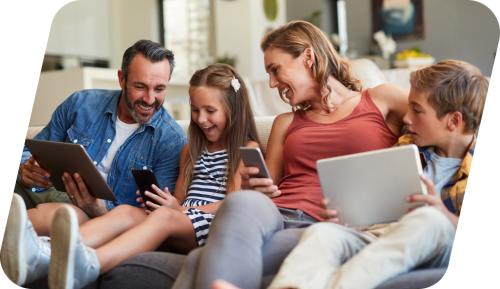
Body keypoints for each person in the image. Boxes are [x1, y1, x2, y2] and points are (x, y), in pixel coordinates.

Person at [170, 20, 409, 289]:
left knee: (196, 261)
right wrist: (252, 186)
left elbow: (442, 115)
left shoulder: (381, 100)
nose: (272, 83)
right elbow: (267, 189)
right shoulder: (285, 123)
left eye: (275, 70)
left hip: (323, 221)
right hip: (273, 214)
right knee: (240, 202)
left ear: (308, 56)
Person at [2, 64, 262, 289]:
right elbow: (180, 198)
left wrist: (177, 211)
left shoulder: (245, 151)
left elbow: (235, 205)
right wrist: (167, 203)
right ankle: (47, 251)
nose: (201, 119)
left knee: (161, 218)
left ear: (233, 109)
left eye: (210, 111)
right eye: (195, 110)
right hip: (179, 219)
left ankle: (89, 264)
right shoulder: (190, 150)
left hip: (212, 223)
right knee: (127, 212)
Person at [264, 59, 486, 289]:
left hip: (435, 245)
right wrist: (350, 219)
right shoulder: (406, 148)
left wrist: (443, 215)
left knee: (430, 219)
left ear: (453, 121)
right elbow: (375, 206)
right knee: (323, 233)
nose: (407, 118)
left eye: (417, 110)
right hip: (379, 237)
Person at [2, 40, 187, 286]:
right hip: (45, 191)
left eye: (160, 88)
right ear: (122, 79)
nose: (150, 99)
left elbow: (150, 222)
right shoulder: (81, 104)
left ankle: (32, 248)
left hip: (94, 218)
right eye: (140, 86)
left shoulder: (171, 141)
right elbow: (34, 151)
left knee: (57, 215)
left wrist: (97, 209)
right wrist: (25, 170)